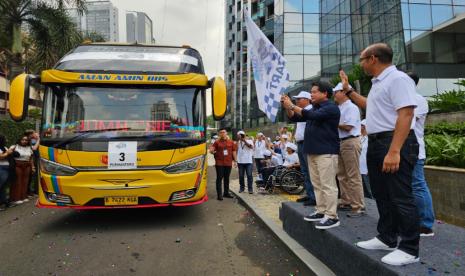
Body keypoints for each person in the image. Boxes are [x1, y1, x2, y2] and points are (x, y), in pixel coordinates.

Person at [340, 43, 420, 266]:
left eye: (362, 59)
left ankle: (410, 248)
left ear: (373, 58)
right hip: (377, 143)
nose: (362, 64)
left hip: (393, 141)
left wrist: (394, 151)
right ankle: (387, 238)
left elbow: (406, 114)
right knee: (382, 195)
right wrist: (349, 91)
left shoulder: (398, 79)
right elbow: (371, 106)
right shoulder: (379, 83)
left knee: (401, 196)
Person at [282, 81, 341, 230]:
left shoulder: (331, 108)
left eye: (314, 92)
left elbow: (310, 115)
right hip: (312, 151)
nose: (311, 94)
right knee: (317, 184)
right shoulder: (315, 108)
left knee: (328, 185)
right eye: (311, 92)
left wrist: (292, 106)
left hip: (326, 152)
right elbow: (294, 118)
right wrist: (287, 106)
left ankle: (332, 216)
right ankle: (321, 210)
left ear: (325, 93)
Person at [406, 71, 435, 237]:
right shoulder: (404, 99)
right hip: (403, 150)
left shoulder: (418, 100)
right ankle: (413, 221)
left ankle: (426, 224)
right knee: (407, 187)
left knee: (418, 185)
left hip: (414, 150)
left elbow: (407, 121)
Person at [333, 83, 365, 217]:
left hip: (350, 141)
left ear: (344, 92)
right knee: (342, 174)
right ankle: (346, 201)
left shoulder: (351, 107)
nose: (334, 94)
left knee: (353, 175)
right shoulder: (339, 108)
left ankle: (358, 206)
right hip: (341, 142)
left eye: (336, 92)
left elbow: (348, 127)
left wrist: (331, 122)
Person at [292, 91, 316, 206]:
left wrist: (291, 106)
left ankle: (314, 197)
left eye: (299, 99)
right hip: (300, 143)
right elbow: (291, 116)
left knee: (311, 171)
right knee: (305, 171)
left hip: (308, 143)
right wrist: (287, 107)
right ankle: (309, 194)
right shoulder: (300, 111)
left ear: (307, 99)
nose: (297, 101)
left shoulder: (311, 109)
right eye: (296, 99)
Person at [209, 129, 237, 200]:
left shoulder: (231, 142)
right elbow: (212, 149)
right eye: (221, 132)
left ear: (226, 133)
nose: (222, 133)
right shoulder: (217, 142)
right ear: (219, 134)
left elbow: (234, 151)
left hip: (228, 163)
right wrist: (211, 151)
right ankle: (219, 195)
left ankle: (226, 193)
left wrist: (236, 161)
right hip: (219, 163)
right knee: (219, 178)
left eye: (223, 132)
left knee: (227, 178)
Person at [9, 135, 35, 205]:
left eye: (26, 140)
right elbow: (8, 154)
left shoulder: (30, 147)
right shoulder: (14, 147)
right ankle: (16, 198)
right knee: (18, 181)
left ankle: (23, 197)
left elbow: (31, 158)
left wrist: (32, 167)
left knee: (25, 182)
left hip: (27, 165)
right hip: (17, 165)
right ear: (20, 140)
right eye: (23, 140)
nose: (24, 141)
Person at [359, 119, 373, 199]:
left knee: (369, 189)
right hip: (358, 167)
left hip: (366, 168)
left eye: (362, 126)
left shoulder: (369, 138)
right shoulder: (359, 137)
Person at [0, 135, 14, 211]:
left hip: (6, 168)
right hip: (1, 168)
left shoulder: (4, 147)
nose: (7, 139)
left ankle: (4, 202)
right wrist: (8, 153)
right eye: (5, 138)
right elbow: (1, 157)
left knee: (3, 187)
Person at [24, 129, 40, 196]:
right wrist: (39, 139)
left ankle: (31, 191)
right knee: (30, 176)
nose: (36, 133)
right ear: (30, 135)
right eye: (34, 133)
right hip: (30, 160)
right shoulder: (28, 141)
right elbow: (34, 149)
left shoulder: (32, 140)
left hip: (33, 159)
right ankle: (28, 191)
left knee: (33, 176)